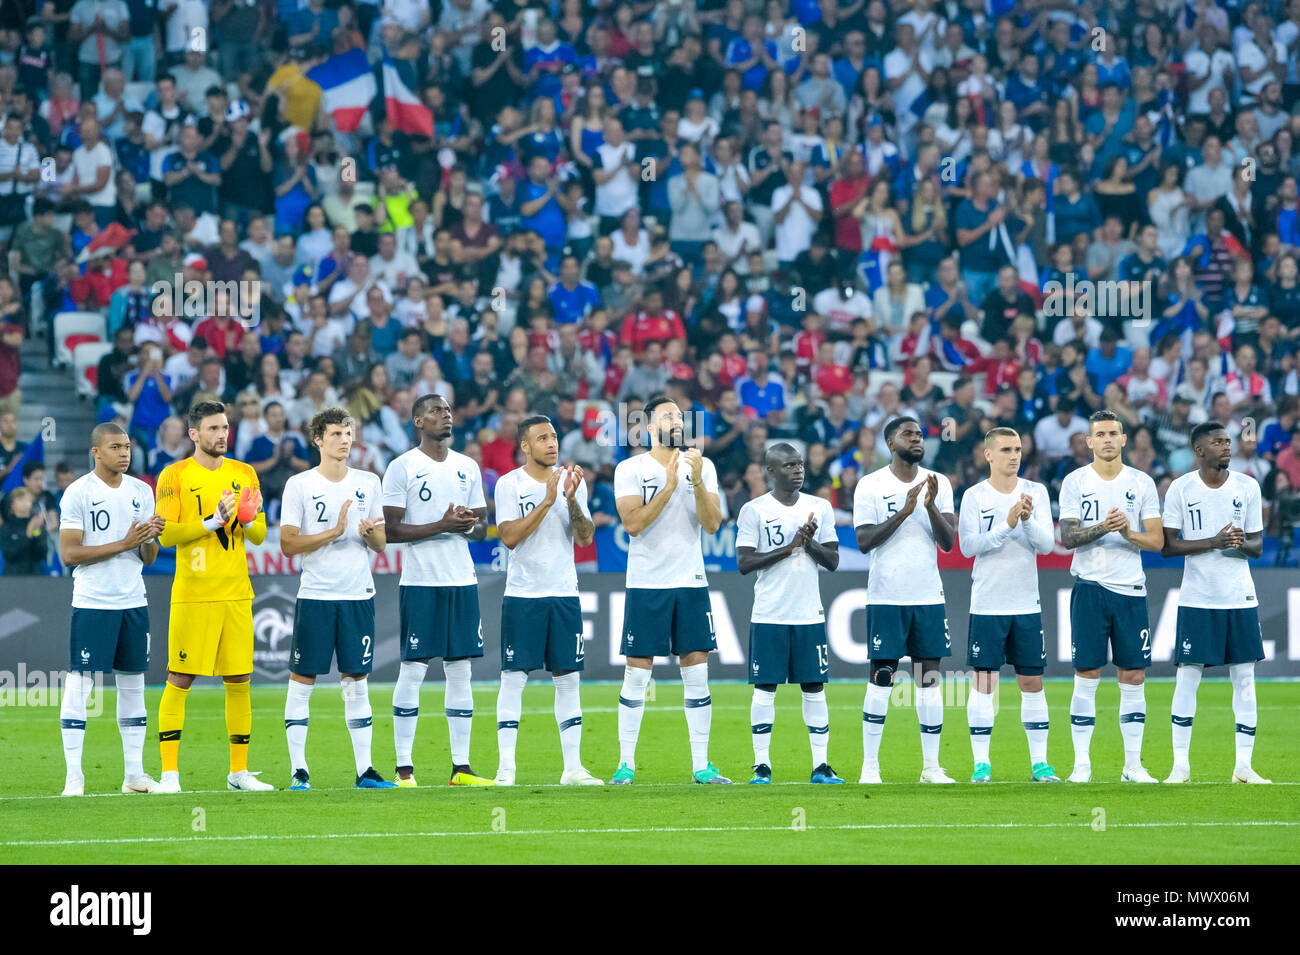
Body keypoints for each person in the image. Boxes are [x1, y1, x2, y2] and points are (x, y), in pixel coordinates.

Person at [153, 400, 271, 793]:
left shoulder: (244, 472)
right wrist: (212, 521)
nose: (222, 434)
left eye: (225, 428)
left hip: (236, 593)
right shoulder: (174, 475)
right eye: (214, 429)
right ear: (194, 434)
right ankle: (170, 775)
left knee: (240, 679)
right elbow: (166, 535)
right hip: (194, 594)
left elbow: (259, 536)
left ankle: (239, 773)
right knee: (180, 678)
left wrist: (245, 516)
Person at [612, 393, 728, 784]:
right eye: (667, 416)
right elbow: (633, 524)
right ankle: (625, 764)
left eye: (679, 415)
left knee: (697, 674)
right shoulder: (630, 469)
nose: (677, 421)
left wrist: (693, 481)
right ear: (648, 427)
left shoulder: (703, 465)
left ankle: (701, 766)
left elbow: (712, 525)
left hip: (691, 582)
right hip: (647, 584)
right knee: (638, 674)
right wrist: (670, 484)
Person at [278, 407, 394, 791]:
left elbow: (380, 543)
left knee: (356, 681)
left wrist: (367, 533)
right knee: (302, 680)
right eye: (336, 434)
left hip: (357, 595)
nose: (345, 440)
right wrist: (333, 532)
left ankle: (365, 771)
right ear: (318, 440)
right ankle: (299, 772)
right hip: (316, 595)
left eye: (348, 432)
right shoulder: (300, 485)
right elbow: (288, 544)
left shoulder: (368, 482)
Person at [381, 393, 491, 787]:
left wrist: (465, 524)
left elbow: (480, 527)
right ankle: (404, 769)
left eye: (447, 409)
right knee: (413, 669)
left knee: (461, 671)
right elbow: (390, 530)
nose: (445, 415)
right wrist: (443, 525)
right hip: (421, 582)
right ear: (417, 422)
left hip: (462, 581)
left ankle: (461, 769)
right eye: (435, 411)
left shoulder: (467, 466)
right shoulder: (402, 467)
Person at [491, 415, 601, 787]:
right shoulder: (509, 484)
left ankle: (573, 768)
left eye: (554, 436)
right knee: (513, 678)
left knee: (568, 679)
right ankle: (506, 768)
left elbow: (584, 538)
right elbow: (509, 536)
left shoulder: (573, 482)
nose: (552, 443)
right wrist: (547, 501)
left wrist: (570, 500)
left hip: (564, 594)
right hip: (524, 595)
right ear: (525, 446)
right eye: (542, 438)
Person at [56, 423, 164, 796]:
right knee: (80, 683)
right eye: (116, 447)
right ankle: (74, 777)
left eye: (128, 446)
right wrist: (124, 542)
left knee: (133, 684)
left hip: (133, 600)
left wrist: (149, 538)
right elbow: (69, 554)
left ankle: (134, 775)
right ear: (96, 452)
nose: (124, 453)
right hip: (93, 602)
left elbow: (147, 557)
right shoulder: (78, 493)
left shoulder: (141, 491)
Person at [1057, 409, 1164, 784]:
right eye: (1098, 434)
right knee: (1086, 674)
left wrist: (1127, 532)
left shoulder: (1142, 483)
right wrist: (1105, 526)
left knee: (1133, 675)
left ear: (1123, 440)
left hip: (1131, 592)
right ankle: (1081, 766)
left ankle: (1132, 766)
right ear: (1089, 442)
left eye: (1112, 433)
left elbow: (1157, 540)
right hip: (1089, 588)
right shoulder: (1074, 481)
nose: (1105, 439)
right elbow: (1067, 538)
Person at [1160, 422, 1270, 785]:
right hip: (1197, 597)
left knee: (1246, 680)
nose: (1227, 447)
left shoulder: (1248, 486)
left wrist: (1237, 544)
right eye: (1218, 442)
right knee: (1188, 678)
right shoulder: (1181, 488)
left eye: (1228, 441)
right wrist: (1213, 541)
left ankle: (1243, 767)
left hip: (1240, 597)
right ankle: (1180, 766)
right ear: (1199, 450)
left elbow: (1257, 546)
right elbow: (1168, 546)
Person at [853, 415, 957, 784]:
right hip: (886, 595)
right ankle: (870, 767)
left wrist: (928, 505)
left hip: (928, 595)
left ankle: (931, 768)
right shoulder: (870, 485)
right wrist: (905, 511)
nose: (917, 439)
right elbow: (864, 542)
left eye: (919, 434)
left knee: (928, 678)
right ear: (890, 442)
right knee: (882, 676)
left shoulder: (939, 482)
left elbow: (948, 542)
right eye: (908, 434)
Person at [735, 443, 843, 785]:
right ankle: (762, 765)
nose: (798, 470)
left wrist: (808, 543)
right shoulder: (754, 510)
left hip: (809, 614)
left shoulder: (820, 507)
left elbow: (833, 561)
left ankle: (821, 766)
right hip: (769, 614)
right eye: (789, 465)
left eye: (800, 464)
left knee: (814, 688)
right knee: (765, 689)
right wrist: (790, 547)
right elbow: (744, 563)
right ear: (771, 471)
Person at [958, 427, 1059, 784]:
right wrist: (1007, 523)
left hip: (1025, 604)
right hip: (987, 604)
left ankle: (1040, 764)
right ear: (988, 455)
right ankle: (981, 765)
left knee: (1032, 682)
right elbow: (968, 547)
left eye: (1017, 449)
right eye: (1005, 449)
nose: (1014, 455)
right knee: (984, 682)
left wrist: (1028, 521)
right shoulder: (974, 496)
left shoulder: (1037, 493)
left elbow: (1046, 546)